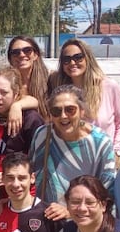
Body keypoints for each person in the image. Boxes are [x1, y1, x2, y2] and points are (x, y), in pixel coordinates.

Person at [27, 85, 115, 213]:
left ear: (82, 111)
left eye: (70, 110)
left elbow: (107, 191)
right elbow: (30, 174)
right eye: (56, 111)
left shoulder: (100, 143)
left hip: (83, 221)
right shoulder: (42, 135)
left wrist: (70, 212)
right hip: (45, 218)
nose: (63, 116)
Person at [49, 39, 120, 159]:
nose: (72, 62)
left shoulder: (109, 86)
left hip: (104, 157)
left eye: (78, 57)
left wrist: (117, 152)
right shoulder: (59, 90)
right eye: (66, 59)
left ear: (88, 58)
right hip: (69, 158)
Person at [0, 68, 43, 207]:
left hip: (24, 198)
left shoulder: (30, 119)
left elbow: (39, 162)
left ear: (16, 93)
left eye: (4, 92)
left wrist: (8, 176)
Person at [7, 36, 50, 118]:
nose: (22, 55)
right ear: (10, 59)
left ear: (36, 55)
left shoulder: (50, 80)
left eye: (27, 50)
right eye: (15, 52)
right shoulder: (7, 85)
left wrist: (17, 105)